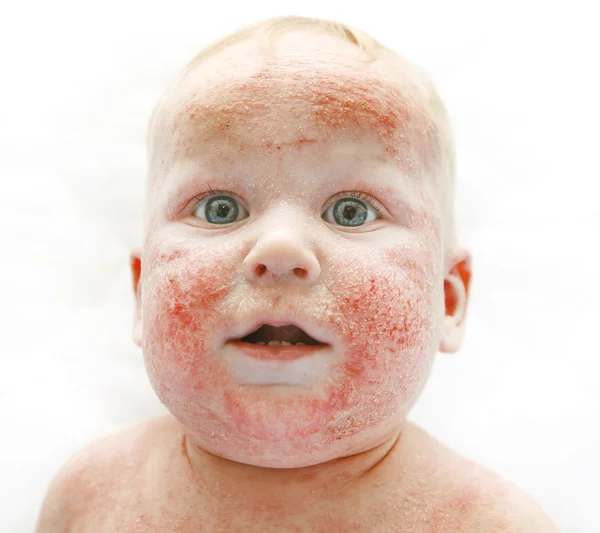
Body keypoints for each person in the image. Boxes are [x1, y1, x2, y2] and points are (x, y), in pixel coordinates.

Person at [36, 15, 559, 532]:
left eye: (351, 211)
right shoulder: (89, 497)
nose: (279, 247)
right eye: (220, 208)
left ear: (446, 301)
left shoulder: (492, 523)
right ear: (142, 293)